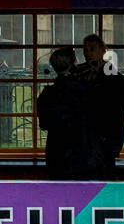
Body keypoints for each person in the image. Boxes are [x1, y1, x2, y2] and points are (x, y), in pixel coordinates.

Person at [38, 48, 98, 179]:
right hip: (80, 149)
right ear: (73, 64)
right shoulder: (84, 90)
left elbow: (43, 124)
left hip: (55, 149)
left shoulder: (47, 94)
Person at [78, 33, 124, 179]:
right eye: (85, 50)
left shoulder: (114, 78)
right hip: (82, 137)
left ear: (103, 50)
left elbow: (118, 109)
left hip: (106, 137)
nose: (88, 53)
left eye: (92, 49)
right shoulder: (79, 73)